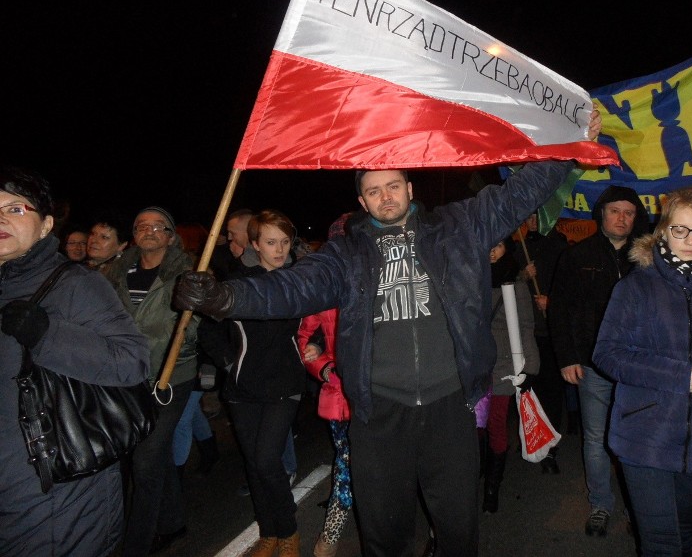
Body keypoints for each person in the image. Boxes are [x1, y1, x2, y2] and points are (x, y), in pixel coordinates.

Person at [174, 111, 600, 557]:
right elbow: (291, 286)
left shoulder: (460, 227)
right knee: (383, 534)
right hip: (378, 414)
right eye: (373, 191)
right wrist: (224, 299)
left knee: (457, 529)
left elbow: (520, 194)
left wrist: (568, 147)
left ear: (410, 189)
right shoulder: (344, 252)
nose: (385, 197)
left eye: (393, 186)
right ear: (362, 202)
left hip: (449, 405)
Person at [0, 166, 150, 557]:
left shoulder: (74, 284)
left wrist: (47, 335)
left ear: (47, 224)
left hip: (56, 488)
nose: (1, 218)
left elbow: (131, 361)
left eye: (16, 209)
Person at [592, 187, 692, 556]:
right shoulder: (635, 287)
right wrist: (674, 374)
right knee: (661, 543)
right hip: (645, 433)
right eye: (680, 230)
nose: (689, 240)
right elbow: (607, 354)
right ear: (663, 232)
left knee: (685, 533)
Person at [198, 209, 306, 557]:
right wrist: (230, 363)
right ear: (255, 244)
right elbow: (208, 330)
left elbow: (319, 321)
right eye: (271, 242)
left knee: (265, 461)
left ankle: (288, 531)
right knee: (254, 463)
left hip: (285, 384)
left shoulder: (302, 281)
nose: (279, 249)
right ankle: (269, 532)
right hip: (243, 388)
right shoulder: (238, 284)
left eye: (285, 242)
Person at [549, 184, 649, 537]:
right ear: (601, 214)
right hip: (593, 364)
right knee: (595, 438)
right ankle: (601, 505)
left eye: (629, 212)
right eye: (614, 211)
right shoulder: (577, 256)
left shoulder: (648, 258)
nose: (622, 218)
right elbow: (560, 310)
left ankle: (642, 508)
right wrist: (568, 357)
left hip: (640, 366)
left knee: (638, 438)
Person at [105, 206, 200, 556]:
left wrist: (183, 333)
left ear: (170, 236)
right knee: (150, 455)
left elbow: (197, 322)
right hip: (128, 378)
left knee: (144, 461)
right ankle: (173, 524)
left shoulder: (188, 273)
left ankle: (137, 544)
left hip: (171, 377)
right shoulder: (115, 274)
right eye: (141, 226)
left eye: (157, 226)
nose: (148, 231)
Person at [297, 212, 354, 557]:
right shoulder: (324, 287)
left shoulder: (388, 278)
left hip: (389, 392)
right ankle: (331, 532)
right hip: (341, 394)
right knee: (346, 463)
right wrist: (325, 368)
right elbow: (304, 339)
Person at [483, 236, 539, 513]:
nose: (492, 252)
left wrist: (529, 368)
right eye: (488, 245)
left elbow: (526, 326)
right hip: (474, 367)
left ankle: (493, 486)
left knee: (496, 425)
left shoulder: (515, 284)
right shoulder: (470, 277)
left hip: (503, 367)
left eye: (499, 245)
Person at [514, 212, 569, 473]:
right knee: (529, 389)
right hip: (526, 332)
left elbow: (572, 289)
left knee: (552, 390)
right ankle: (533, 438)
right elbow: (506, 286)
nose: (533, 221)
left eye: (539, 216)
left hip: (551, 331)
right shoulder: (519, 248)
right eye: (530, 217)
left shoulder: (560, 246)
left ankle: (552, 447)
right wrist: (523, 275)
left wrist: (553, 303)